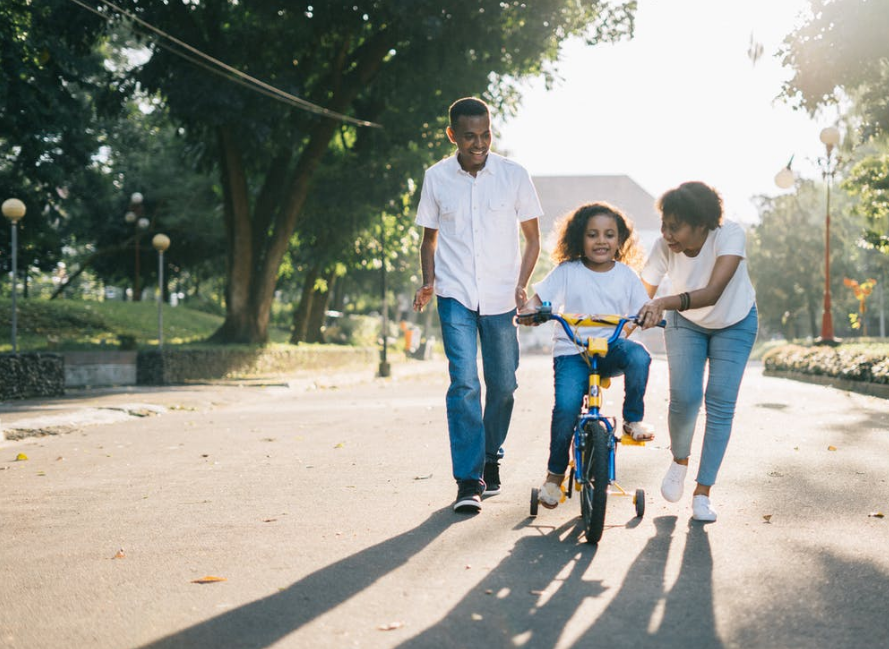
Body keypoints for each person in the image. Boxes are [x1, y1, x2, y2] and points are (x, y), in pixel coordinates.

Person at [412, 97, 542, 513]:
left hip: (503, 297)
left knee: (503, 386)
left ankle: (490, 456)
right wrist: (429, 282)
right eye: (470, 136)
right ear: (453, 135)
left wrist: (522, 284)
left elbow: (533, 238)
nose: (479, 143)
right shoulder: (436, 178)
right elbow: (429, 239)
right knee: (465, 383)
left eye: (486, 134)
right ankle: (468, 480)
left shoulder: (514, 175)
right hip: (455, 295)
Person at [636, 181, 758, 523]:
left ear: (701, 224)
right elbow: (641, 295)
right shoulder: (664, 247)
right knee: (685, 397)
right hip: (686, 323)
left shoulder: (729, 235)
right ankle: (679, 460)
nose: (666, 234)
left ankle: (703, 492)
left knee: (720, 401)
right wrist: (624, 326)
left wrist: (663, 302)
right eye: (664, 224)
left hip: (735, 321)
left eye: (675, 226)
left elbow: (714, 292)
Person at [520, 202, 655, 509]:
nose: (601, 241)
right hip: (572, 351)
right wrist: (530, 311)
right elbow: (538, 300)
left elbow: (643, 308)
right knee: (567, 408)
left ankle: (632, 420)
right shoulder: (567, 271)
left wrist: (649, 315)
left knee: (640, 357)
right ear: (580, 238)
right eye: (592, 234)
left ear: (620, 240)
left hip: (610, 349)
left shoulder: (626, 276)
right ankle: (554, 477)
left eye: (609, 235)